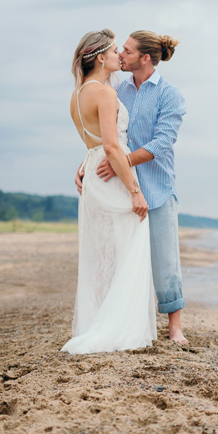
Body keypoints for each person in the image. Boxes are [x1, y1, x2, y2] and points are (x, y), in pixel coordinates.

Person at [76, 30, 188, 343]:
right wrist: (87, 164)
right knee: (123, 257)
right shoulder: (117, 89)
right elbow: (105, 136)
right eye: (120, 50)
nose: (121, 55)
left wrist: (118, 162)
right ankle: (124, 320)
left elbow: (162, 143)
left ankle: (174, 327)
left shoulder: (169, 94)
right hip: (122, 188)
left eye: (127, 50)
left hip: (156, 186)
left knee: (165, 260)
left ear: (145, 58)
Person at [62, 29, 157, 354]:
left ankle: (99, 321)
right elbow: (113, 147)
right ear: (100, 57)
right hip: (111, 174)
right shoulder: (104, 93)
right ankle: (118, 328)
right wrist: (135, 190)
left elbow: (94, 144)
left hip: (92, 173)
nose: (120, 55)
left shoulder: (77, 95)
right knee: (126, 245)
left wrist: (85, 165)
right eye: (116, 51)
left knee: (100, 253)